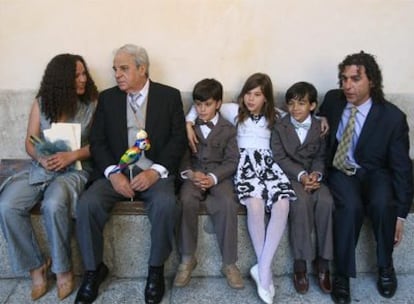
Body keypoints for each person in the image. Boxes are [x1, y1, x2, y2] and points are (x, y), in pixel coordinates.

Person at [73, 44, 187, 304]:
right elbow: (98, 141)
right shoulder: (108, 98)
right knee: (87, 204)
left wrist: (156, 172)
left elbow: (178, 140)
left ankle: (155, 270)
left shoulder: (169, 96)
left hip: (153, 172)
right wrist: (113, 173)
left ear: (142, 68)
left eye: (124, 68)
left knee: (166, 204)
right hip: (117, 172)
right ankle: (93, 271)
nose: (117, 74)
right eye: (115, 69)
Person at [187, 73, 296, 304]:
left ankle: (262, 268)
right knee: (254, 205)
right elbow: (201, 107)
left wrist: (323, 118)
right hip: (244, 164)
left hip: (268, 165)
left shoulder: (276, 116)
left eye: (257, 95)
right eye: (248, 93)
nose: (251, 99)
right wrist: (188, 122)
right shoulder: (232, 111)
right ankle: (265, 274)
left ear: (266, 98)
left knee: (282, 204)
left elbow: (300, 115)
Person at [0, 54, 98, 301]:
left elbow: (99, 144)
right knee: (7, 205)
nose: (83, 79)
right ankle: (36, 266)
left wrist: (72, 154)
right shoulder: (42, 103)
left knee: (54, 204)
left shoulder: (93, 104)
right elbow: (30, 140)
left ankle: (63, 270)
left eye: (84, 73)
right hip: (43, 167)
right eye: (77, 75)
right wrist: (41, 158)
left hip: (75, 168)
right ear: (61, 79)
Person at [318, 51, 413, 304]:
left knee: (384, 203)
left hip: (376, 172)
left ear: (371, 80)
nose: (347, 85)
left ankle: (385, 267)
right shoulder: (332, 100)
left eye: (355, 79)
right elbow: (306, 115)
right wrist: (321, 118)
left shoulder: (392, 117)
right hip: (341, 170)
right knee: (349, 207)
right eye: (344, 78)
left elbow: (402, 167)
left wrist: (401, 214)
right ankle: (342, 275)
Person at [174, 78, 243, 289]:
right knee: (185, 200)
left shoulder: (228, 129)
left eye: (208, 104)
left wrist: (213, 178)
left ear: (219, 104)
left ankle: (229, 263)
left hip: (218, 177)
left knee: (228, 203)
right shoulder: (188, 127)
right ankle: (187, 259)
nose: (202, 109)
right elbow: (181, 155)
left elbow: (232, 160)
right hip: (193, 176)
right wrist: (190, 174)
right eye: (198, 104)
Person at [271, 81, 333, 295]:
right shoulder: (280, 126)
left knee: (326, 202)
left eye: (302, 103)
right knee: (300, 203)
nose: (295, 108)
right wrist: (301, 175)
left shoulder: (320, 127)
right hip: (292, 177)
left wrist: (316, 174)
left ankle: (323, 262)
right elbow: (279, 156)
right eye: (291, 103)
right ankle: (300, 264)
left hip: (314, 177)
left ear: (313, 106)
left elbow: (321, 156)